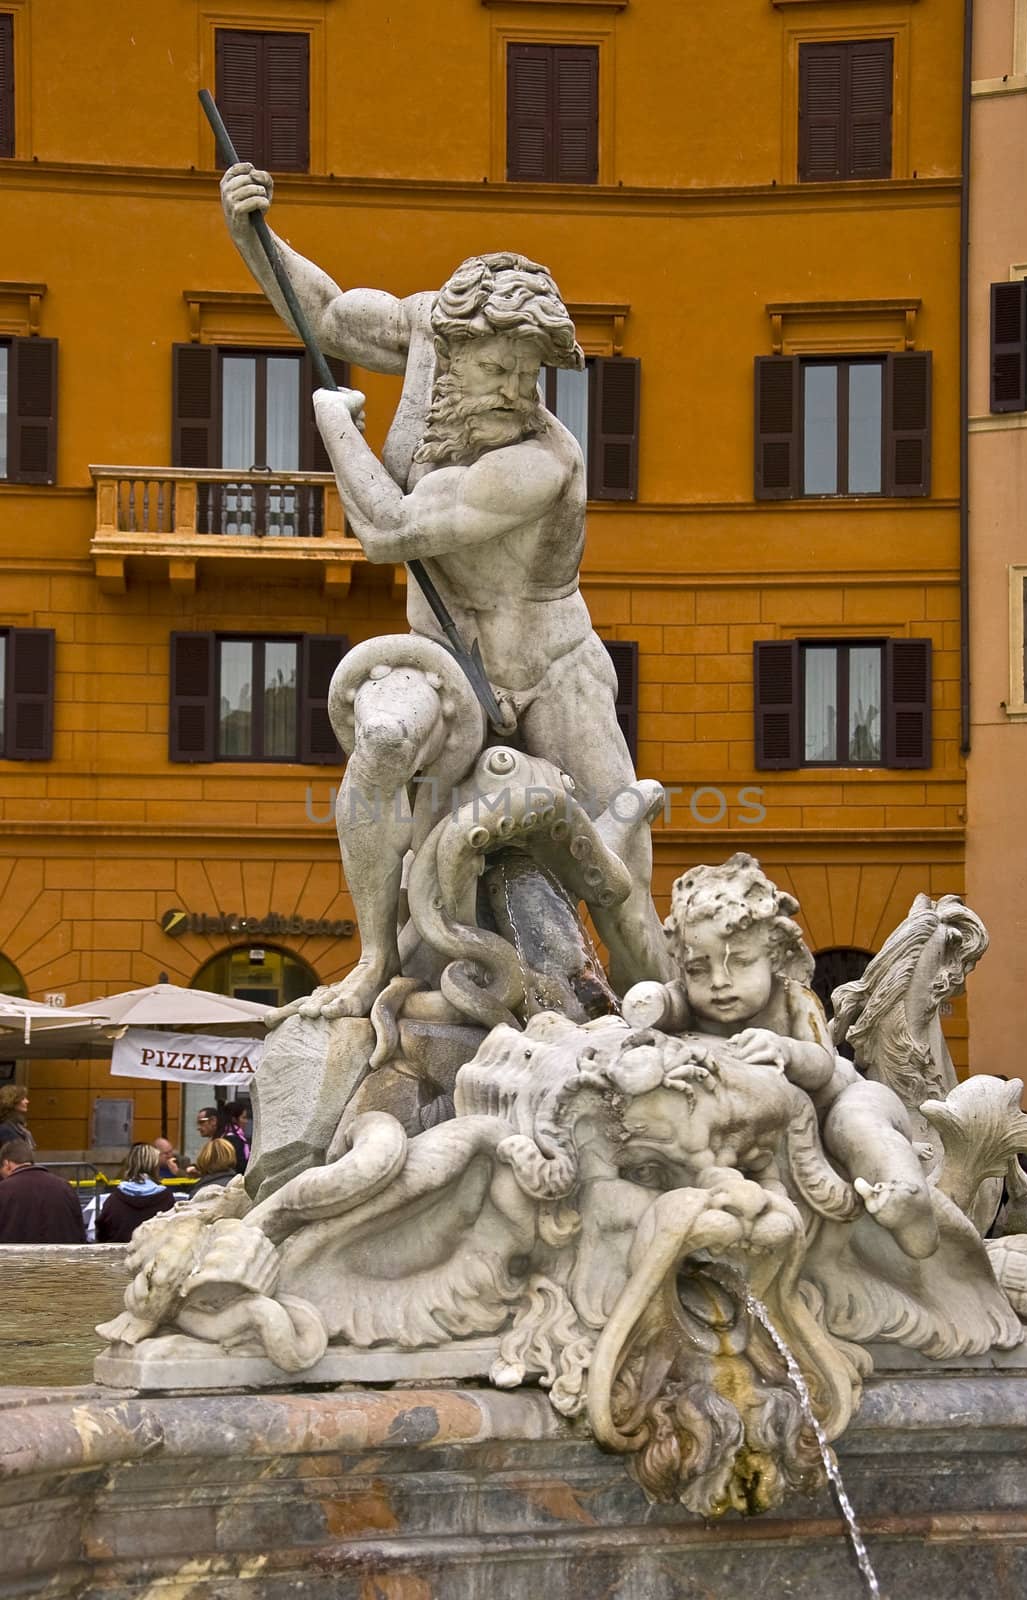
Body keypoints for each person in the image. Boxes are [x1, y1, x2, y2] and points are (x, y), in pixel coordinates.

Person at [219, 165, 671, 1019]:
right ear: (456, 345)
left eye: (533, 375)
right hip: (442, 657)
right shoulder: (426, 327)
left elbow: (390, 531)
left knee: (616, 867)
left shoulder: (543, 459)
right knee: (382, 744)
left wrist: (334, 428)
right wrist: (254, 233)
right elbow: (323, 312)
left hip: (553, 662)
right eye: (503, 367)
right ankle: (374, 959)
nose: (518, 392)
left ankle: (665, 1011)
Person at [624, 854, 939, 1259]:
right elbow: (666, 1003)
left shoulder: (793, 998)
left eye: (739, 962)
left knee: (855, 1126)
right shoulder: (691, 999)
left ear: (773, 957)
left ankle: (906, 1201)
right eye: (698, 969)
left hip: (840, 1098)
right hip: (771, 1128)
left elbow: (823, 1064)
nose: (719, 983)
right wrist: (648, 1001)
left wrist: (785, 1049)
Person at [0, 1140, 85, 1244]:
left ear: (6, 1163)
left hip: (13, 1258)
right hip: (60, 1258)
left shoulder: (3, 1190)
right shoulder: (65, 1187)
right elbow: (79, 1231)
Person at [96, 1144, 177, 1244]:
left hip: (119, 1256)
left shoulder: (114, 1199)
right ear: (155, 1167)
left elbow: (102, 1231)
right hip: (154, 1256)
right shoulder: (166, 1198)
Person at [0, 1083, 34, 1149]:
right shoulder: (5, 1129)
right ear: (12, 1101)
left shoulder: (18, 1125)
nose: (27, 1101)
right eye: (23, 1098)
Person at [221, 1102, 251, 1173]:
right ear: (234, 1119)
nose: (246, 1121)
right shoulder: (233, 1139)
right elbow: (240, 1165)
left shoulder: (225, 1136)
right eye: (243, 1117)